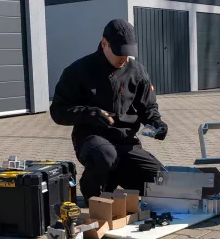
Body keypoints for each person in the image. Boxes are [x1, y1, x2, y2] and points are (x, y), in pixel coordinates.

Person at [49, 19, 168, 204]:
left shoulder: (136, 71)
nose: (125, 59)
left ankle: (117, 176)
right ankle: (92, 191)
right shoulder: (78, 71)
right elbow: (58, 111)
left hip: (126, 142)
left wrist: (156, 123)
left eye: (129, 54)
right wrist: (88, 113)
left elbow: (148, 106)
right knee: (105, 157)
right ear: (105, 44)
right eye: (120, 53)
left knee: (159, 180)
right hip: (92, 139)